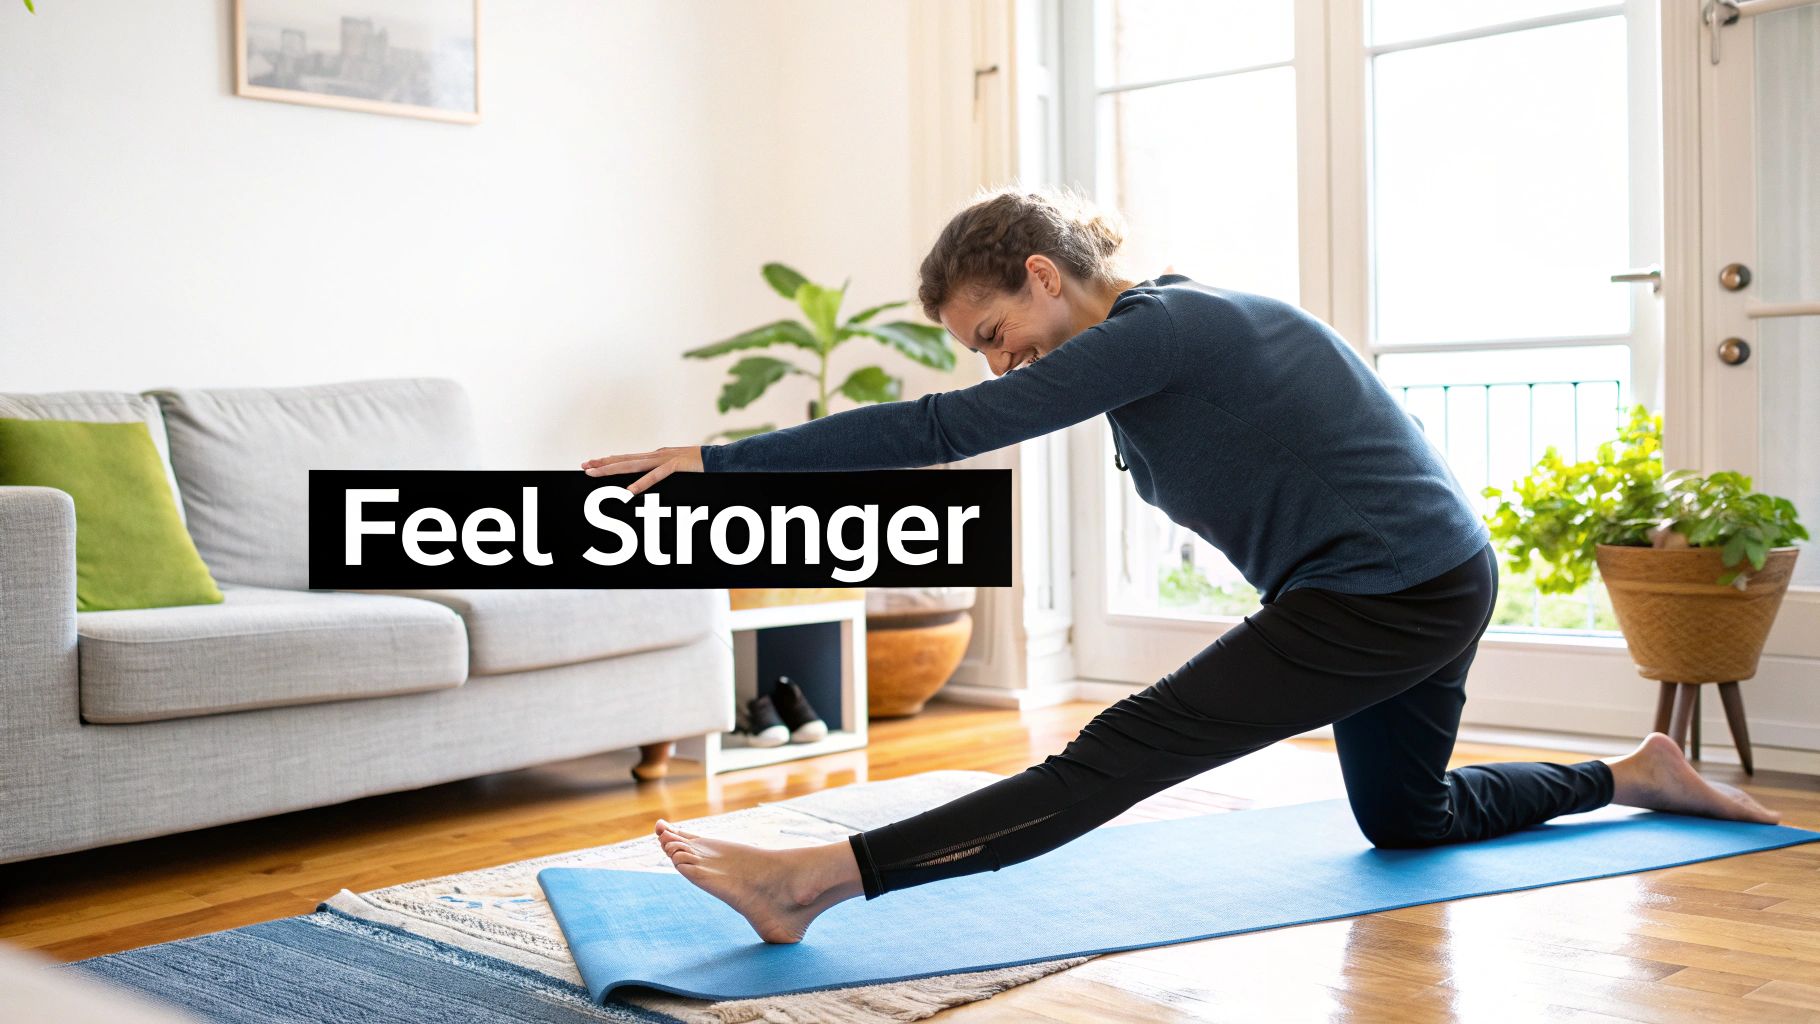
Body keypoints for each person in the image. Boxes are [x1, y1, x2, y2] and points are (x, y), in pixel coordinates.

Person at [579, 187, 1781, 945]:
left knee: (1111, 759)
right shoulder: (1159, 339)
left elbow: (943, 434)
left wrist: (716, 460)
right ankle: (1631, 772)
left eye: (992, 333)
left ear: (1043, 276)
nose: (996, 364)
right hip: (1414, 577)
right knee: (1405, 823)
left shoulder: (1170, 327)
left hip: (1385, 592)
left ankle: (816, 883)